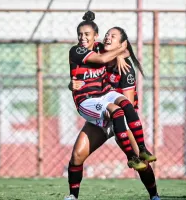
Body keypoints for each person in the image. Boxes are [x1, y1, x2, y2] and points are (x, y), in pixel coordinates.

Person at [65, 11, 159, 200]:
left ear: (120, 45)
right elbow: (82, 75)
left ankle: (154, 196)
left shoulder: (126, 69)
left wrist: (122, 55)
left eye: (112, 37)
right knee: (77, 155)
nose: (108, 38)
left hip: (120, 118)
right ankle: (73, 196)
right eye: (107, 35)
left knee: (140, 160)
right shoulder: (98, 54)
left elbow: (128, 102)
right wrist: (71, 84)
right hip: (102, 111)